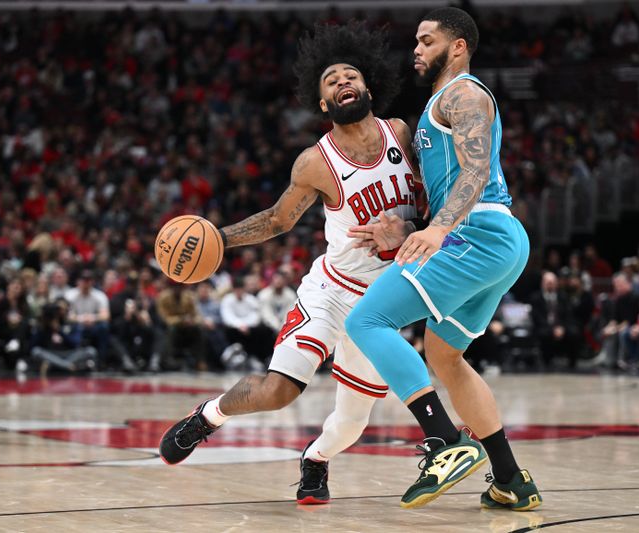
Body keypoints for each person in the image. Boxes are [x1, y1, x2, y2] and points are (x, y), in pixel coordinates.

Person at [159, 22, 418, 506]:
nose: (343, 81)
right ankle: (208, 416)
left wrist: (409, 230)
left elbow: (435, 207)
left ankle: (315, 459)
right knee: (279, 391)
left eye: (351, 75)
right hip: (333, 291)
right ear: (322, 104)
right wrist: (220, 237)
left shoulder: (402, 134)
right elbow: (279, 219)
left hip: (382, 305)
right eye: (331, 80)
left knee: (352, 424)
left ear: (368, 87)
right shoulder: (315, 162)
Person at [344, 7, 541, 511]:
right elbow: (456, 184)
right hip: (493, 239)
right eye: (416, 41)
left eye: (427, 41)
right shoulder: (438, 104)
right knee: (445, 356)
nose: (416, 49)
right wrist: (411, 227)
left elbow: (475, 174)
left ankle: (446, 440)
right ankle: (509, 479)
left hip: (477, 233)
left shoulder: (466, 94)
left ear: (458, 47)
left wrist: (436, 228)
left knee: (368, 319)